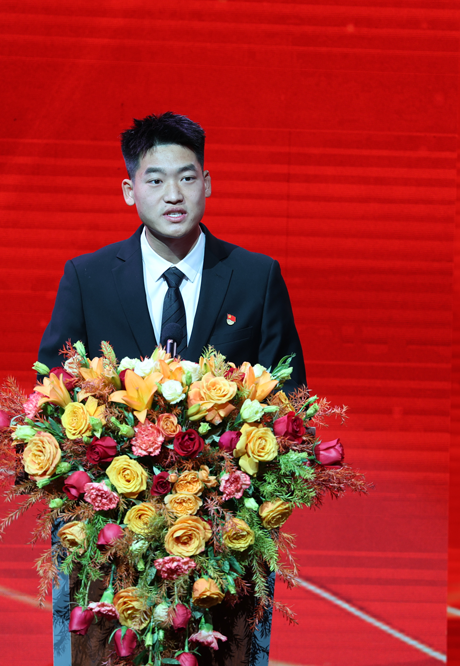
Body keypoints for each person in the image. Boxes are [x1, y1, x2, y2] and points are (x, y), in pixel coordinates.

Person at [38, 112, 306, 666]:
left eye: (187, 178)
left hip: (224, 539)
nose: (173, 194)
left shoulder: (256, 277)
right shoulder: (88, 277)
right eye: (155, 179)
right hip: (111, 539)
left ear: (206, 184)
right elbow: (51, 395)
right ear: (129, 190)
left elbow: (291, 403)